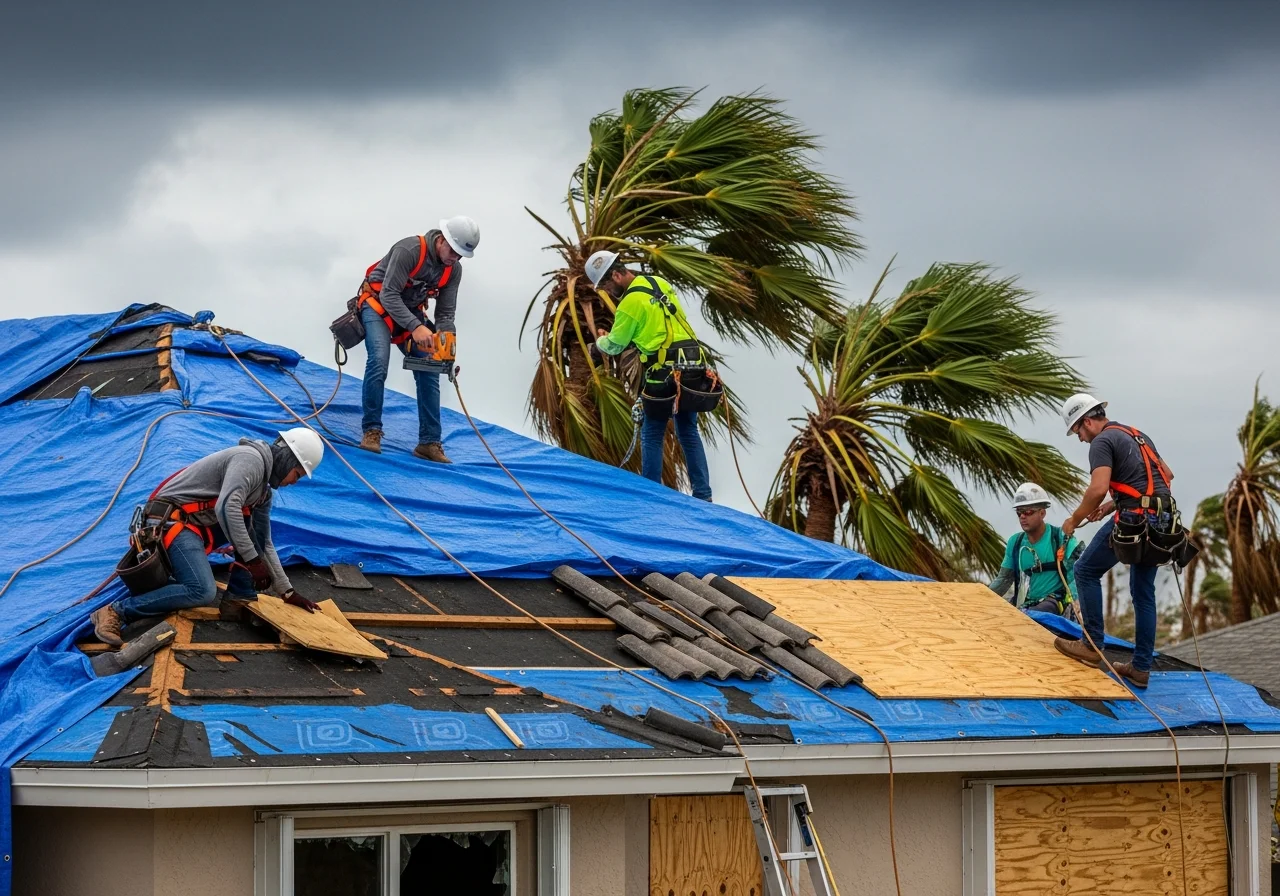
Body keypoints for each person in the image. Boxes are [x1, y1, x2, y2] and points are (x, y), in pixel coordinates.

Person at [91, 428, 325, 646]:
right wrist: (252, 561)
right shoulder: (250, 460)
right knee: (202, 591)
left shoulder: (263, 493)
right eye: (297, 473)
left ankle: (239, 595)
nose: (294, 482)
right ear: (287, 459)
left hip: (192, 526)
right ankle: (117, 611)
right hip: (169, 523)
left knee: (257, 532)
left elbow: (264, 542)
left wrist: (287, 591)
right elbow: (226, 507)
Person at [1052, 393, 1177, 688]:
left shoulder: (1102, 442)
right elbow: (1167, 476)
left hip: (1135, 520)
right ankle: (1141, 668)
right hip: (1162, 520)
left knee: (1085, 570)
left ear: (1086, 421)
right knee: (1143, 592)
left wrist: (1073, 519)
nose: (1081, 438)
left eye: (1078, 431)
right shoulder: (1137, 435)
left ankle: (1091, 645)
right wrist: (1113, 504)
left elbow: (1097, 489)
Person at [584, 250, 715, 502]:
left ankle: (651, 495)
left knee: (652, 432)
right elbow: (659, 323)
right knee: (688, 430)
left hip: (663, 371)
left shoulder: (629, 304)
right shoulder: (660, 283)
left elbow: (616, 344)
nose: (609, 292)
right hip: (692, 364)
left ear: (617, 274)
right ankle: (703, 494)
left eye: (607, 286)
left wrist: (599, 343)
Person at [355, 216, 480, 463]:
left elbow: (445, 312)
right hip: (378, 305)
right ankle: (371, 431)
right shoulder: (409, 250)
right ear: (442, 240)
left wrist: (446, 338)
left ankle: (429, 442)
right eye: (453, 251)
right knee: (379, 360)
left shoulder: (453, 270)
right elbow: (389, 294)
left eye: (460, 255)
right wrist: (416, 327)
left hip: (409, 312)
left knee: (430, 366)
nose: (455, 258)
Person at [987, 482, 1082, 616]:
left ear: (1042, 513)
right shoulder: (1015, 542)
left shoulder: (1060, 539)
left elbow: (1078, 575)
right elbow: (1004, 580)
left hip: (1055, 603)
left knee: (1031, 615)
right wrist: (982, 600)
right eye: (1019, 513)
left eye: (1028, 512)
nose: (1022, 517)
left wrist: (1076, 606)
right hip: (1027, 604)